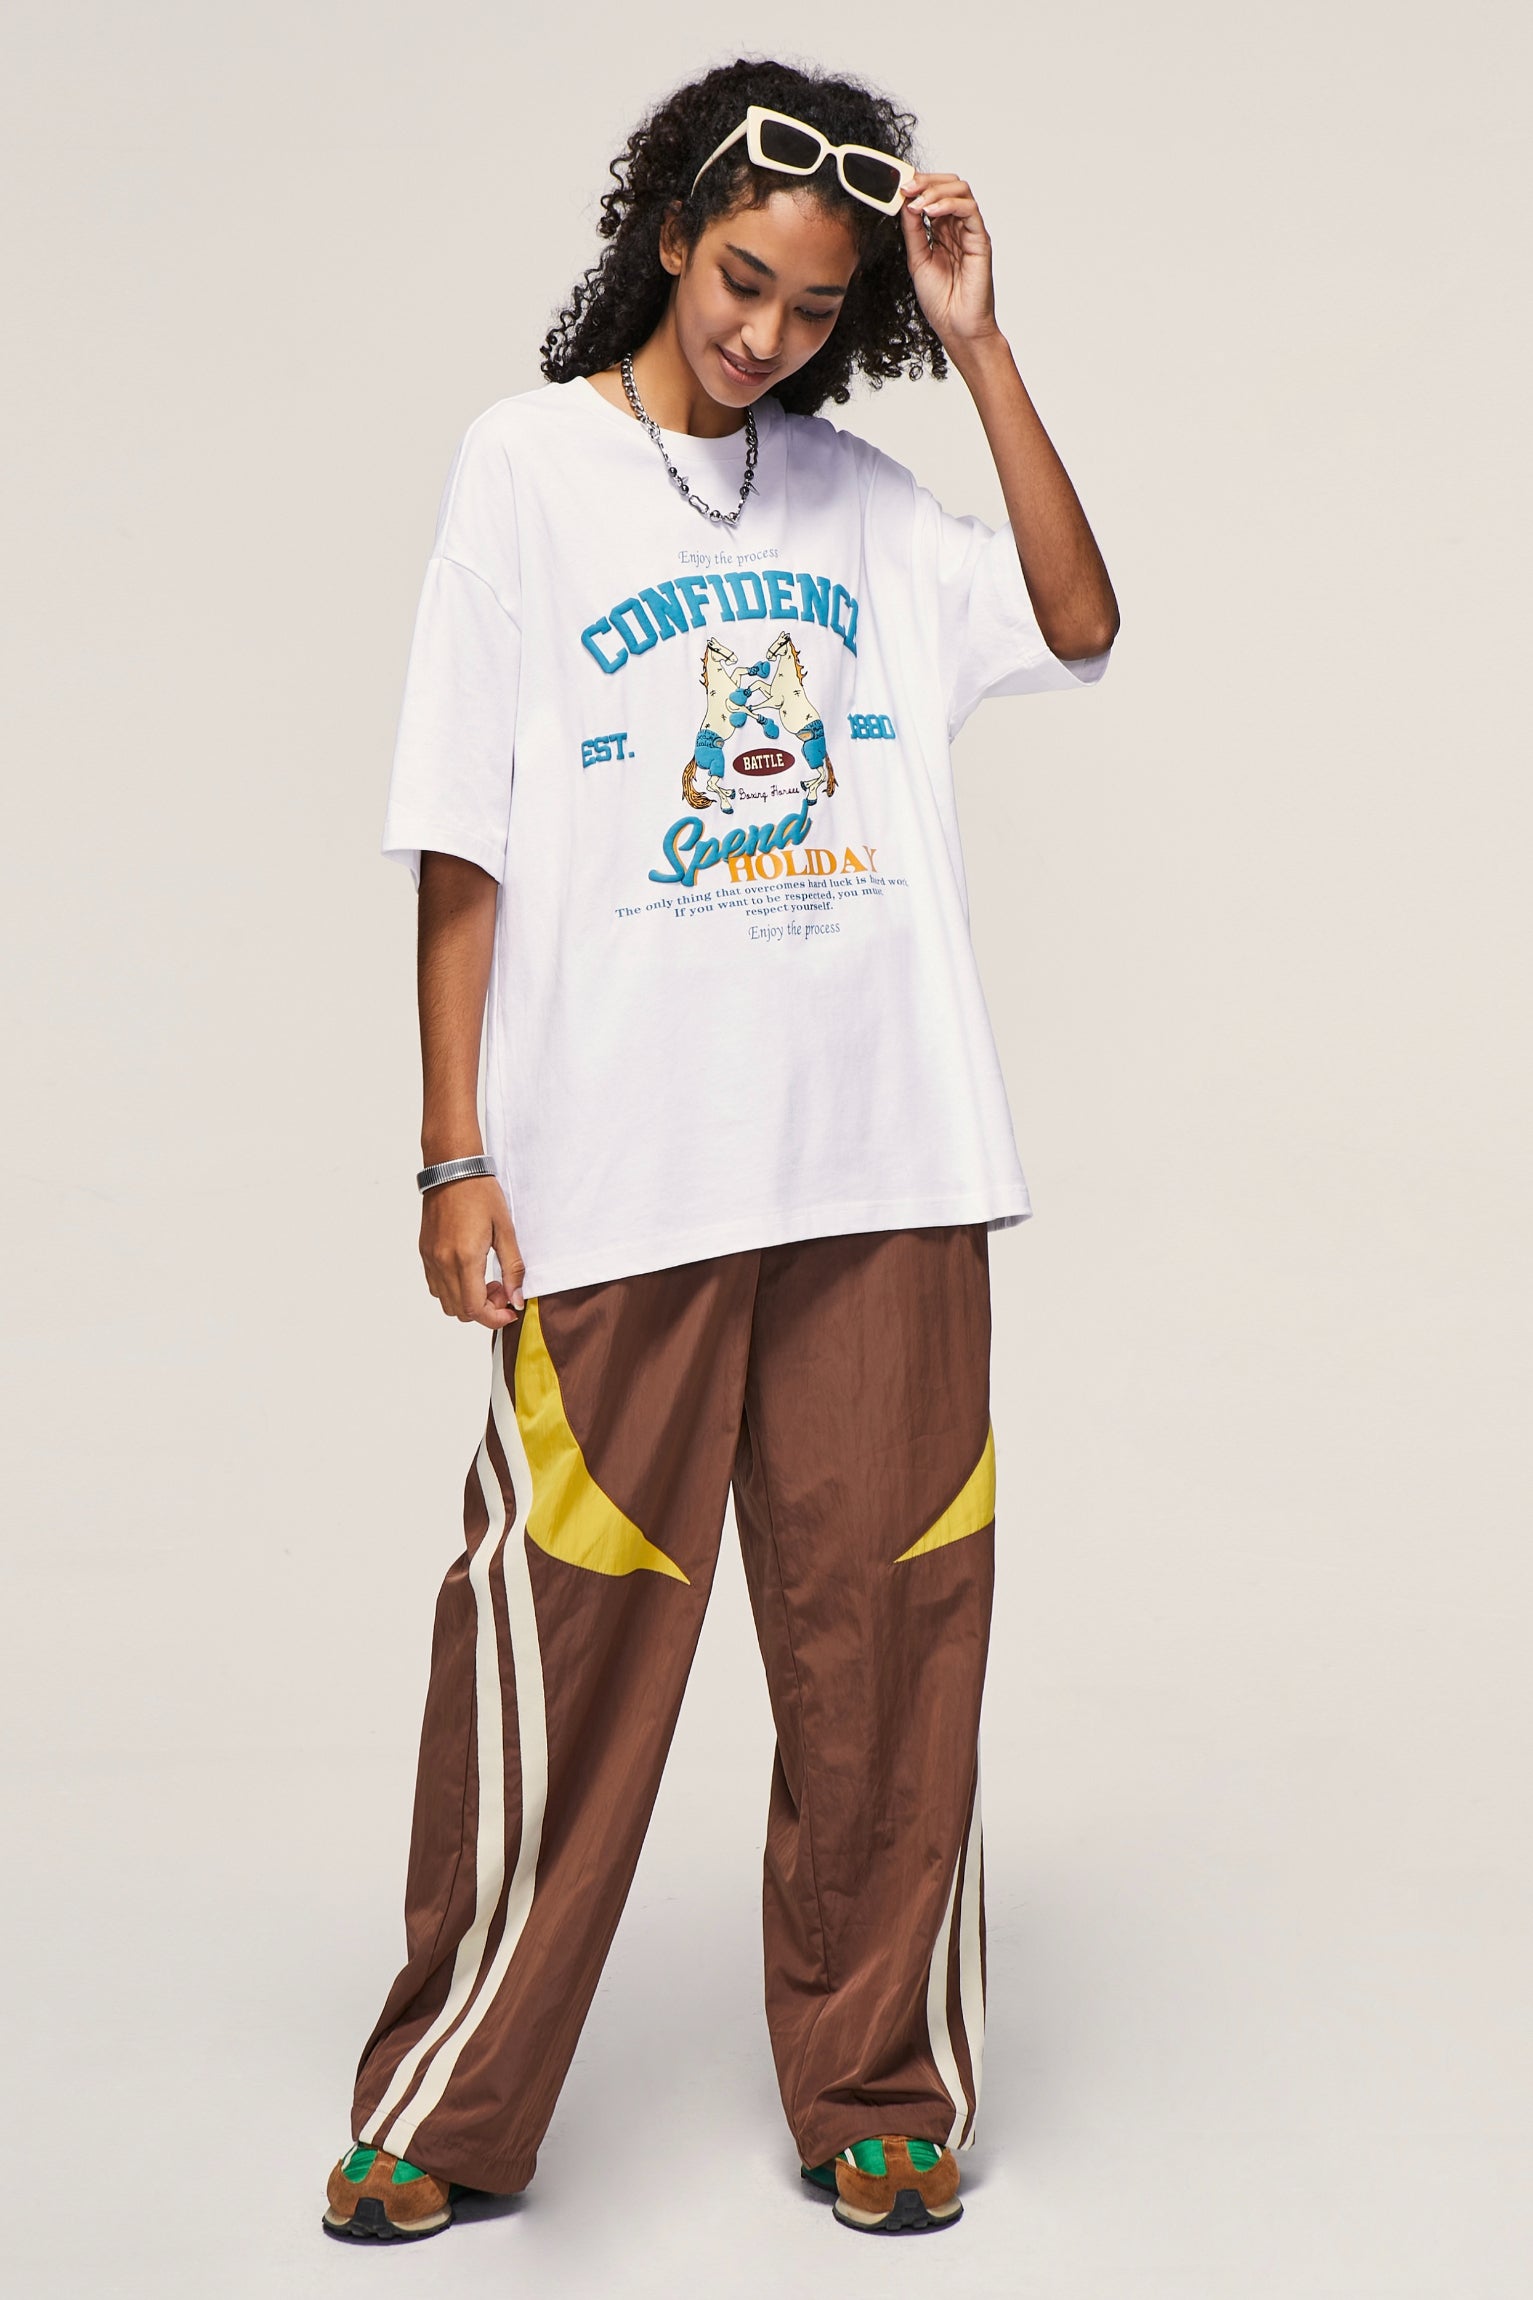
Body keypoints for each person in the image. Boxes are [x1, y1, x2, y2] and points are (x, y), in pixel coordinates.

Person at [322, 55, 1118, 2246]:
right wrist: (450, 1153)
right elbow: (459, 828)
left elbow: (1075, 622)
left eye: (814, 306)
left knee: (890, 1640)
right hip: (624, 1164)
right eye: (740, 279)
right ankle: (449, 2098)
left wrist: (977, 344)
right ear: (668, 232)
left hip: (885, 1164)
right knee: (557, 1634)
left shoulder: (863, 502)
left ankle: (878, 2082)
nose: (764, 332)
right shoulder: (524, 469)